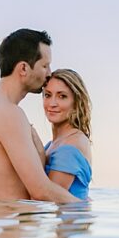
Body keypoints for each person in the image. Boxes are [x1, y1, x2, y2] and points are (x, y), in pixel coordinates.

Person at [0, 29, 81, 203]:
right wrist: (83, 207)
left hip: (1, 225)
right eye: (45, 66)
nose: (49, 74)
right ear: (24, 68)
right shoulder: (8, 113)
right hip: (14, 228)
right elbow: (41, 191)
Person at [42, 69, 93, 200]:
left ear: (76, 102)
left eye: (62, 96)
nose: (52, 104)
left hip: (71, 220)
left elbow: (47, 198)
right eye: (47, 95)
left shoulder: (71, 144)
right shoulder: (52, 145)